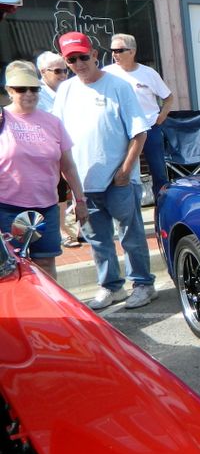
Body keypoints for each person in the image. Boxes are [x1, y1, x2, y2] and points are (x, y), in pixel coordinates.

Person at [52, 31, 157, 310]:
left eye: (83, 57)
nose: (79, 64)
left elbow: (139, 133)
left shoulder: (119, 86)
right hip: (84, 183)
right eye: (71, 60)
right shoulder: (66, 90)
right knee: (98, 240)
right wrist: (67, 178)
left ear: (95, 55)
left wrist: (124, 171)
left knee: (131, 236)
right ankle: (111, 287)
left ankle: (143, 284)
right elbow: (57, 136)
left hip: (118, 180)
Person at [0, 60, 87, 279]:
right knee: (12, 268)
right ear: (10, 90)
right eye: (21, 89)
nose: (29, 94)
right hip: (7, 207)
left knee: (46, 264)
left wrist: (80, 200)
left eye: (34, 88)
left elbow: (68, 165)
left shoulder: (52, 122)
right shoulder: (2, 119)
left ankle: (49, 302)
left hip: (46, 208)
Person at [102, 33, 174, 198]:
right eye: (112, 50)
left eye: (119, 50)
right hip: (120, 130)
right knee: (120, 169)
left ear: (132, 51)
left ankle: (161, 206)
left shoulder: (148, 73)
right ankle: (126, 205)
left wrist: (161, 117)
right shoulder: (106, 73)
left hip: (149, 128)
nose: (114, 54)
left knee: (158, 170)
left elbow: (168, 97)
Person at [35, 50, 80, 246]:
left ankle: (81, 226)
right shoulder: (36, 92)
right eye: (57, 71)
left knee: (79, 184)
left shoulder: (71, 89)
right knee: (58, 189)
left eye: (65, 70)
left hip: (73, 143)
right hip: (48, 148)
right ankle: (61, 229)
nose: (63, 75)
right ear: (43, 72)